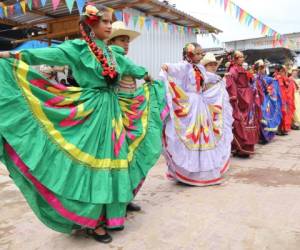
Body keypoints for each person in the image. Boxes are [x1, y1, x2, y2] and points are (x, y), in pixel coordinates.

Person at [0, 4, 166, 244]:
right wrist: (7, 55)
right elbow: (42, 56)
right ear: (90, 24)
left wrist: (148, 75)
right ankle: (92, 222)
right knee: (90, 165)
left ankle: (111, 211)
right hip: (90, 111)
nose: (109, 26)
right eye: (105, 22)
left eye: (111, 22)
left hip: (113, 112)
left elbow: (130, 68)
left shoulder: (112, 53)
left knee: (115, 161)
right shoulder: (77, 49)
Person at [107, 21, 166, 212]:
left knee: (129, 157)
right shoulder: (116, 58)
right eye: (122, 40)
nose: (126, 44)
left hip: (127, 110)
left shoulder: (114, 57)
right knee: (126, 156)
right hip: (119, 113)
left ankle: (126, 197)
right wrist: (150, 79)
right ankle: (119, 200)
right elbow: (140, 72)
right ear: (111, 41)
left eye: (127, 41)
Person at [159, 45, 233, 186]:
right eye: (197, 54)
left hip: (200, 104)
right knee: (189, 136)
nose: (200, 56)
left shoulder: (200, 68)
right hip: (190, 104)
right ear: (189, 55)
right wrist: (166, 66)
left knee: (204, 137)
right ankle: (188, 173)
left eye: (201, 53)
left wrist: (219, 79)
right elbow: (174, 68)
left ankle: (204, 173)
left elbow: (208, 77)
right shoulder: (184, 66)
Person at [225, 51, 263, 157]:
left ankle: (247, 147)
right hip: (240, 98)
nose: (242, 59)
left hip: (248, 97)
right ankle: (239, 148)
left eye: (242, 57)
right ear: (234, 59)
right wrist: (235, 97)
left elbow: (249, 81)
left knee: (249, 121)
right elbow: (232, 84)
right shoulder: (233, 70)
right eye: (239, 57)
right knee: (239, 122)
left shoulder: (242, 69)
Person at [254, 59, 282, 143]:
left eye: (263, 67)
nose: (262, 69)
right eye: (260, 67)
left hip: (265, 100)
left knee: (265, 117)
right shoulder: (253, 77)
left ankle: (265, 137)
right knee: (258, 118)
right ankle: (259, 136)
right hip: (256, 100)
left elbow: (274, 82)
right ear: (256, 68)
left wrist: (270, 92)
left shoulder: (266, 78)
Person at [274, 65, 295, 135]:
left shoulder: (284, 78)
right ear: (279, 71)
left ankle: (283, 129)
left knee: (284, 113)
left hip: (284, 99)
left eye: (284, 71)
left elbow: (287, 85)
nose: (284, 72)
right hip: (278, 99)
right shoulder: (276, 79)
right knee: (279, 113)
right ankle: (279, 129)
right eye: (282, 71)